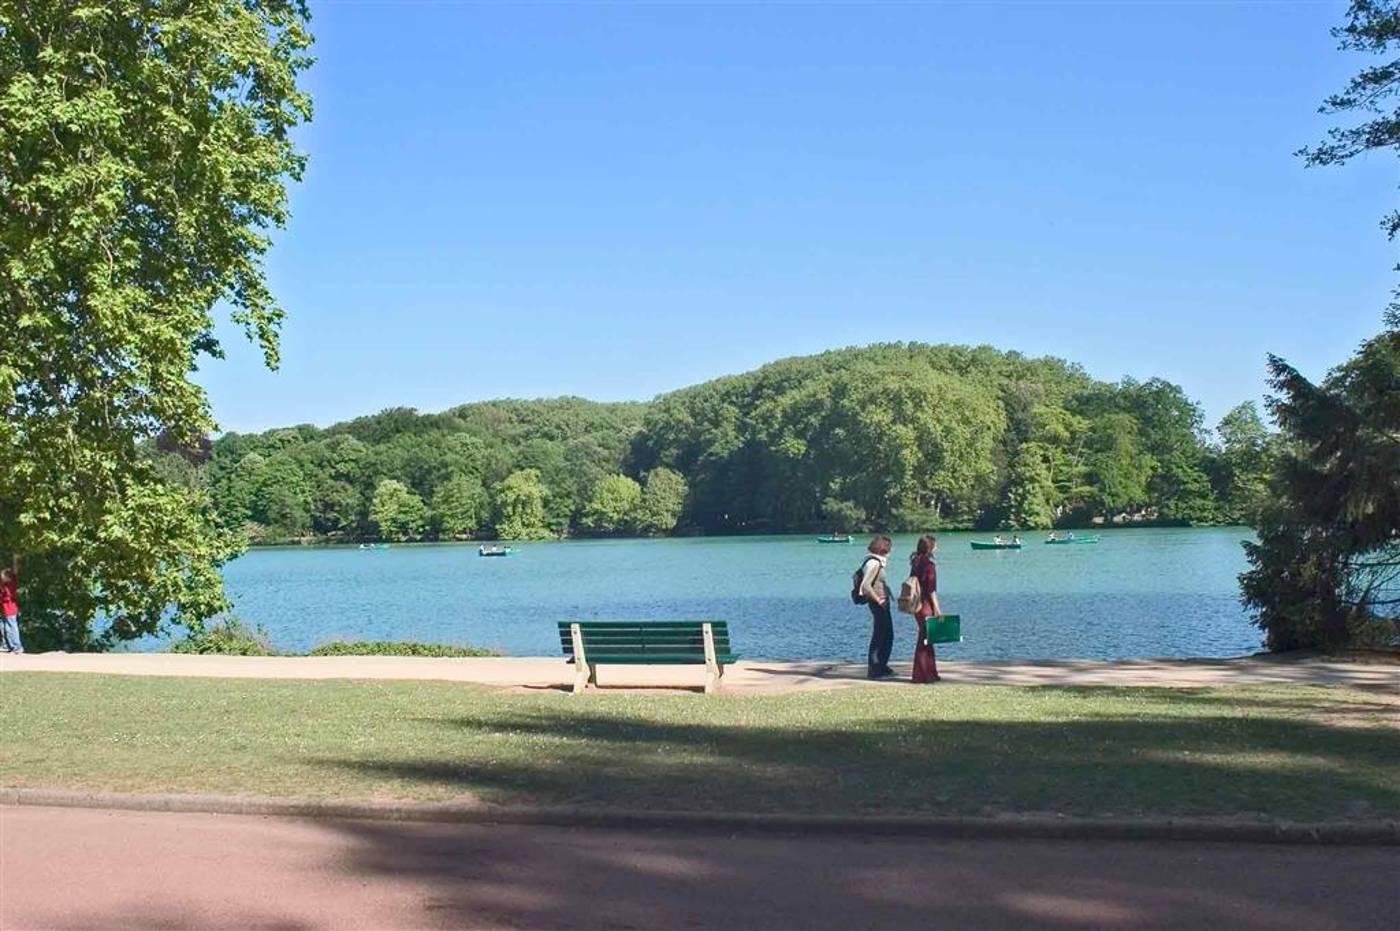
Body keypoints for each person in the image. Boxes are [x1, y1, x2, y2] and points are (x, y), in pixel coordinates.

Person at [858, 535, 894, 679]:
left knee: (887, 635)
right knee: (880, 635)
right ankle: (874, 668)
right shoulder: (874, 563)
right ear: (884, 549)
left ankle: (881, 665)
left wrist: (889, 593)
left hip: (882, 602)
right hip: (878, 603)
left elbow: (880, 581)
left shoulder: (873, 561)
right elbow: (866, 586)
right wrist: (878, 600)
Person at [908, 535, 942, 683]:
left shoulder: (915, 562)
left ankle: (928, 672)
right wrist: (938, 609)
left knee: (925, 637)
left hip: (916, 605)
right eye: (935, 544)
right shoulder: (929, 565)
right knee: (926, 639)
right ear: (930, 547)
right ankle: (923, 674)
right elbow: (931, 590)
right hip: (925, 604)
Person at [1, 555, 21, 654]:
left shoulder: (12, 581)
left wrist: (15, 558)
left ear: (8, 577)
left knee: (11, 627)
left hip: (11, 609)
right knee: (3, 627)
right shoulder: (3, 585)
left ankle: (17, 646)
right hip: (4, 609)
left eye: (3, 577)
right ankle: (7, 645)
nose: (2, 579)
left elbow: (15, 569)